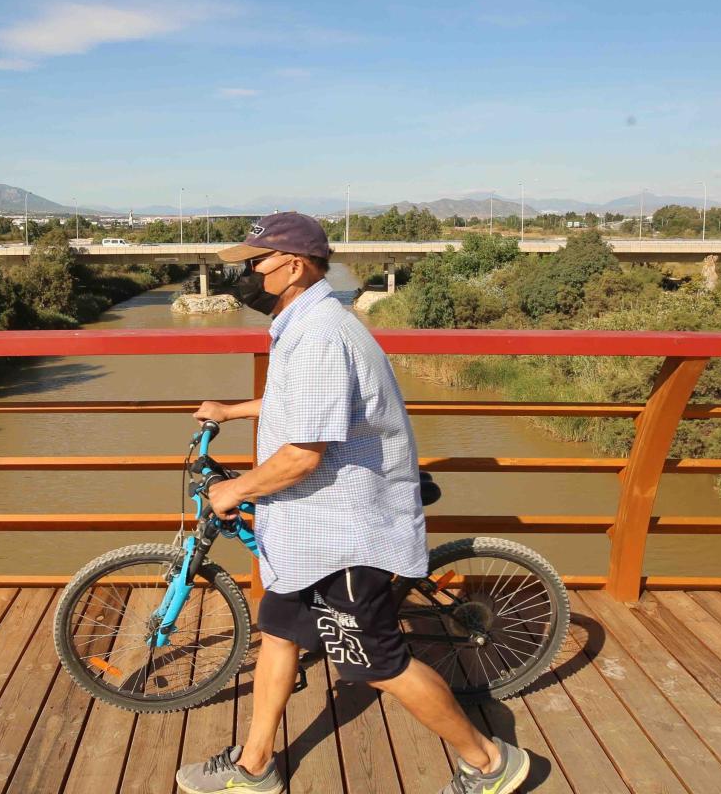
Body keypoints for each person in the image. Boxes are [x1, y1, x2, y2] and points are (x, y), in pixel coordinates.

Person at [175, 212, 531, 794]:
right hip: (308, 527)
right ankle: (255, 766)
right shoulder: (305, 322)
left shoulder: (321, 335)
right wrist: (234, 410)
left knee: (375, 661)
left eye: (252, 262)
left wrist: (234, 490)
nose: (242, 273)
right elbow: (302, 402)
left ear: (291, 265)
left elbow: (302, 455)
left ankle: (490, 763)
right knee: (283, 632)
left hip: (343, 529)